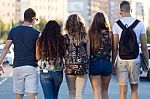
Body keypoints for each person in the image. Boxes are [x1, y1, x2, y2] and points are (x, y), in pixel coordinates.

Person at [112, 1, 149, 99]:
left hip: (121, 60)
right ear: (130, 10)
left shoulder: (116, 25)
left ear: (121, 11)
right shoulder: (140, 24)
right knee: (135, 90)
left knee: (122, 92)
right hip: (135, 60)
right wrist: (146, 62)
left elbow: (115, 47)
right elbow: (144, 47)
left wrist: (112, 63)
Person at [0, 8, 39, 99]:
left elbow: (6, 47)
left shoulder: (13, 31)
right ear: (33, 19)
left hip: (17, 67)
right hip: (31, 67)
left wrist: (0, 62)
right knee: (32, 94)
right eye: (36, 20)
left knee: (19, 94)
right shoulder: (37, 33)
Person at [36, 20, 65, 99]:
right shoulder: (62, 39)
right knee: (55, 96)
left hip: (45, 72)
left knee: (48, 97)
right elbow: (64, 54)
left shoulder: (40, 40)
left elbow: (37, 57)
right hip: (58, 72)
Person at [64, 14, 89, 99]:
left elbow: (64, 54)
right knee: (79, 94)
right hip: (82, 67)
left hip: (69, 68)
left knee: (71, 93)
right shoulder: (85, 36)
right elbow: (88, 53)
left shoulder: (65, 37)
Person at [88, 12, 112, 99]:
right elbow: (113, 49)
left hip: (94, 64)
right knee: (105, 91)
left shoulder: (90, 33)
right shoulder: (110, 34)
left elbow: (88, 51)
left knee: (96, 91)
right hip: (106, 63)